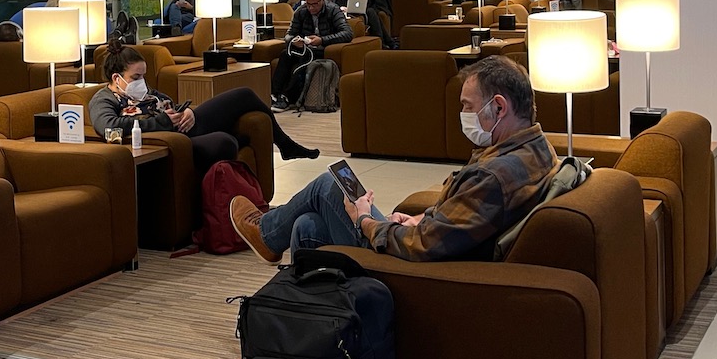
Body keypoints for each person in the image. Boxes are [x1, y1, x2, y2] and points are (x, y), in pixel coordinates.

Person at [232, 56, 557, 262]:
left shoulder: (494, 177)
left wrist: (365, 220)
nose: (463, 115)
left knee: (330, 186)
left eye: (468, 106)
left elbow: (423, 245)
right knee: (307, 227)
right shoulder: (537, 149)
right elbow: (457, 223)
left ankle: (267, 235)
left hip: (409, 272)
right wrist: (419, 218)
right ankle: (286, 322)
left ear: (499, 107)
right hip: (433, 243)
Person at [88, 48, 318, 180]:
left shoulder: (148, 92)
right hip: (172, 138)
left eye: (143, 76)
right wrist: (163, 121)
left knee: (244, 96)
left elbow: (170, 104)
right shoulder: (104, 99)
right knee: (226, 141)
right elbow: (109, 127)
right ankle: (284, 147)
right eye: (136, 78)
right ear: (117, 78)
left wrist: (188, 111)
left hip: (187, 126)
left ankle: (285, 145)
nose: (142, 83)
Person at [270, 0, 352, 109]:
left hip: (322, 49)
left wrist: (322, 40)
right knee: (285, 54)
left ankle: (287, 97)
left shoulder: (333, 10)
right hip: (304, 47)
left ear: (322, 0)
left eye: (314, 4)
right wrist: (293, 40)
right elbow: (289, 34)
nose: (311, 8)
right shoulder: (301, 11)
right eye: (308, 4)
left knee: (305, 59)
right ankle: (274, 94)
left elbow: (347, 33)